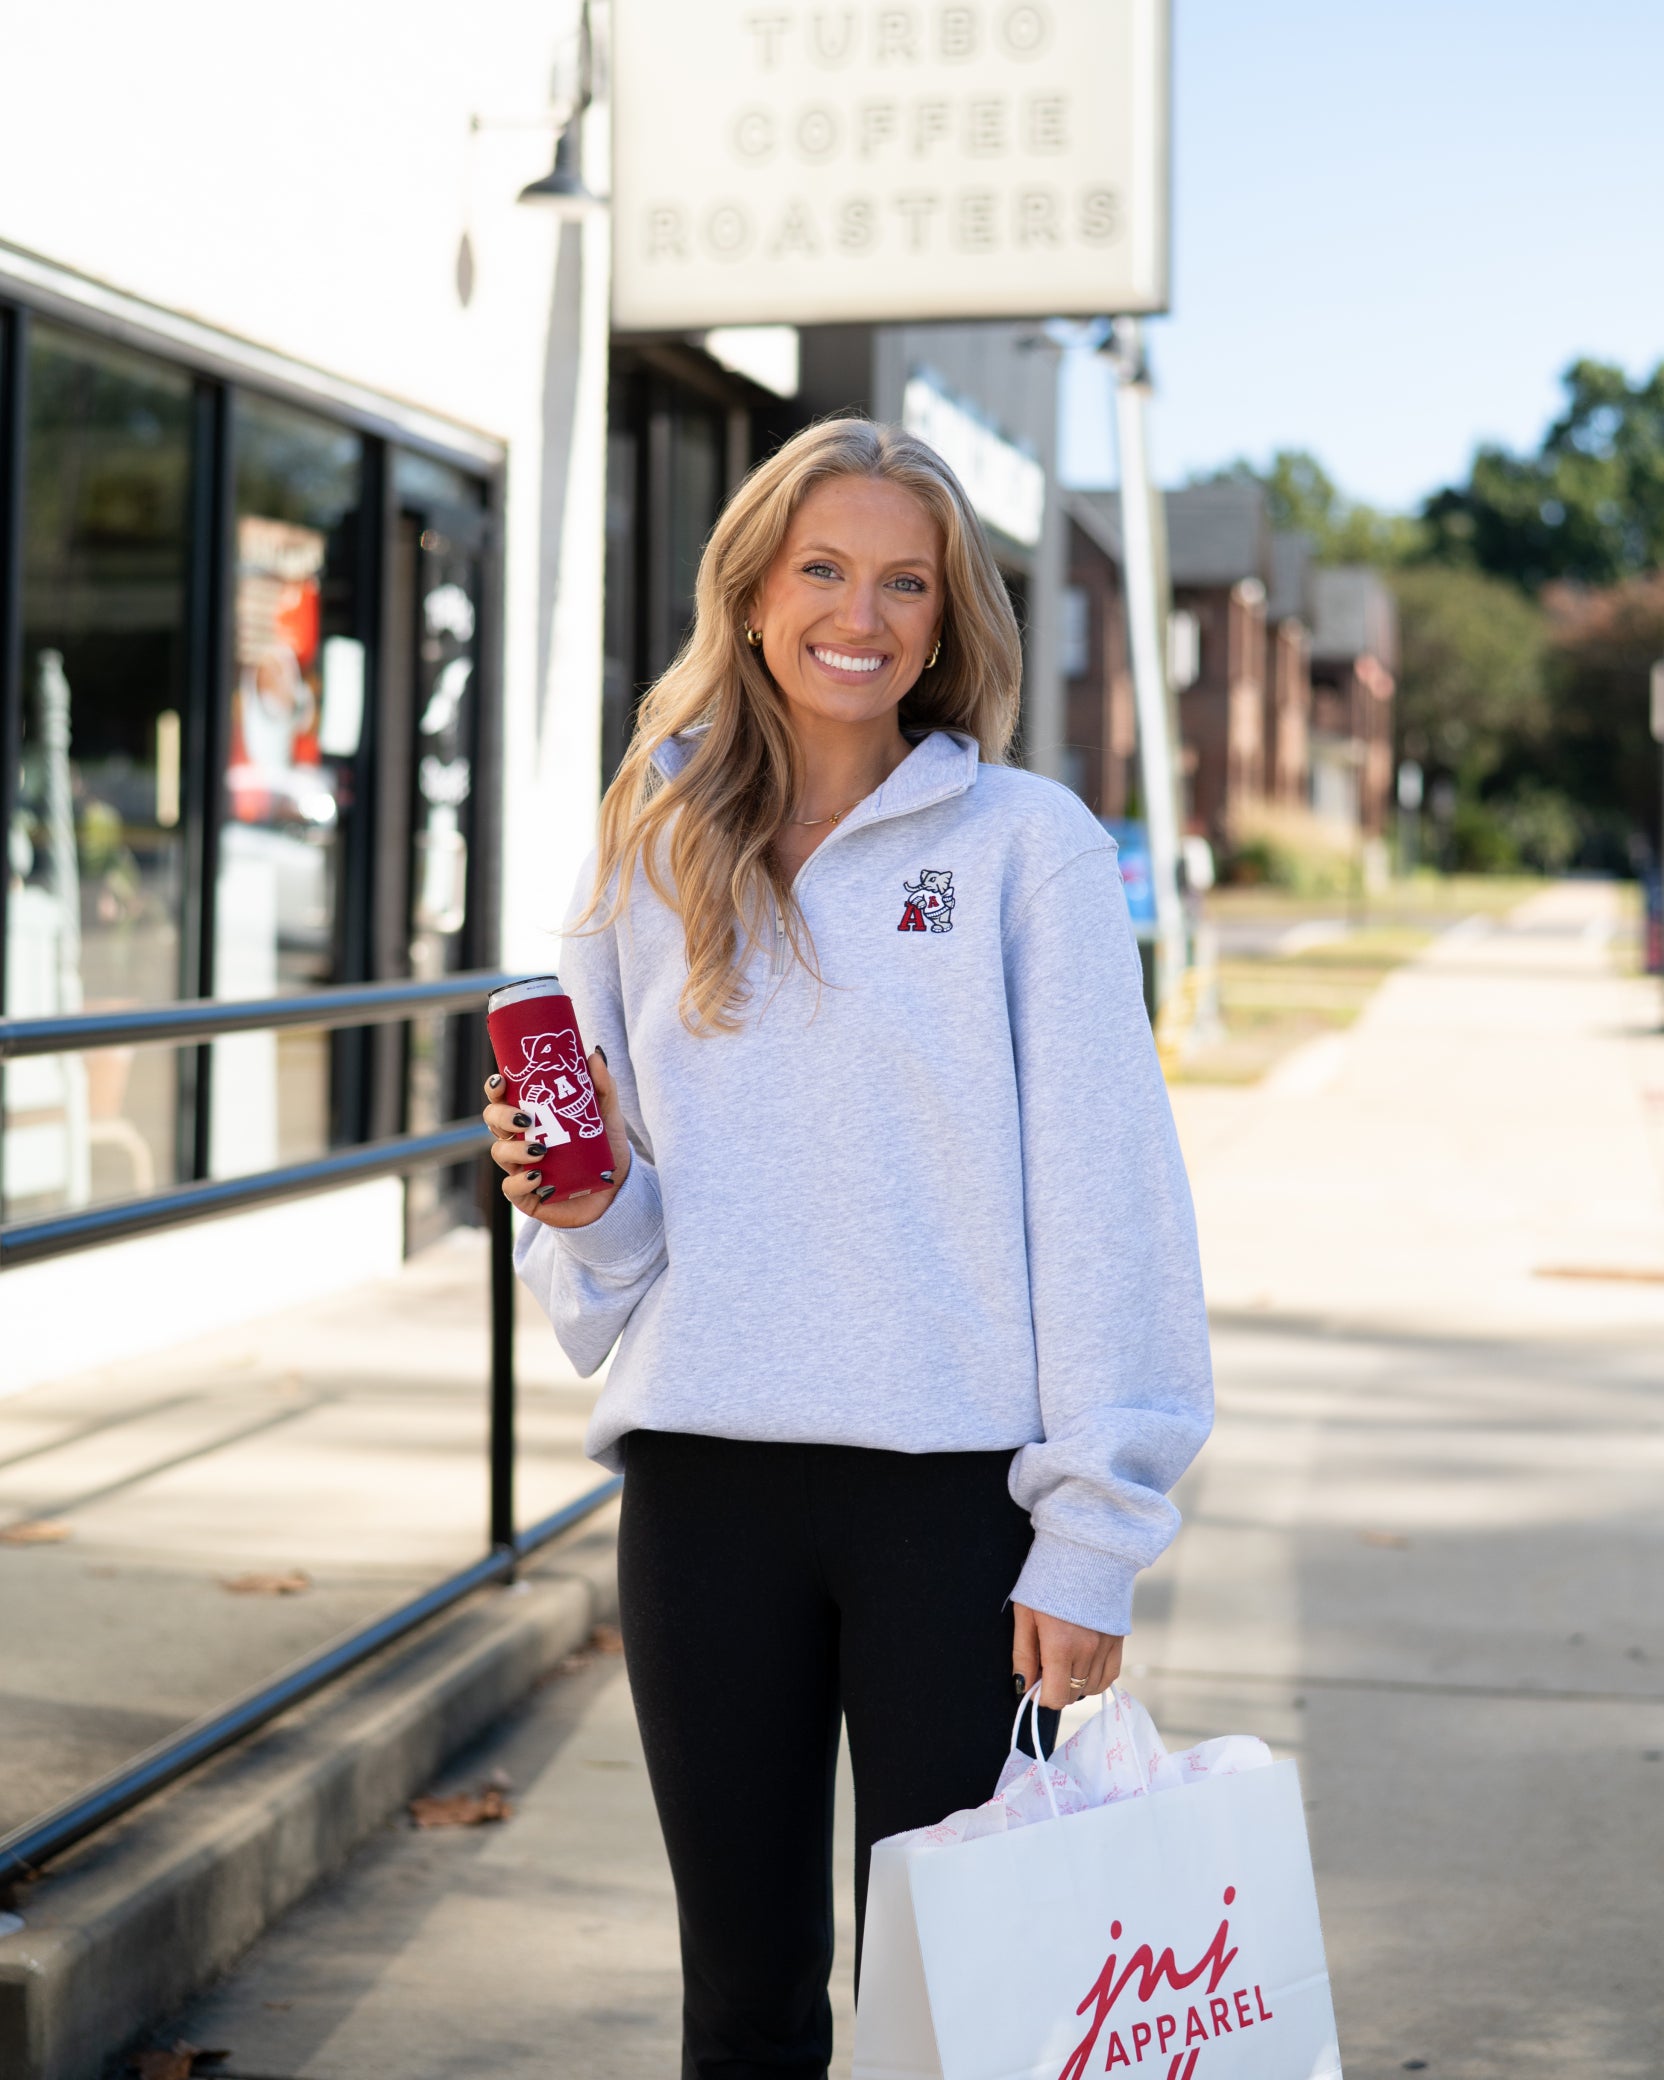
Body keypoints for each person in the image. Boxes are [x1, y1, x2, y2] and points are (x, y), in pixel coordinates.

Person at [481, 417, 1212, 2079]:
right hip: (704, 1490)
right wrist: (579, 1204)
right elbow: (615, 1239)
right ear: (750, 594)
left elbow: (1110, 1200)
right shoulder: (647, 843)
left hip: (954, 1511)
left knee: (953, 2008)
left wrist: (1093, 1530)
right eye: (822, 569)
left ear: (949, 623)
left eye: (906, 583)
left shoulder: (1028, 847)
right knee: (741, 2006)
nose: (859, 616)